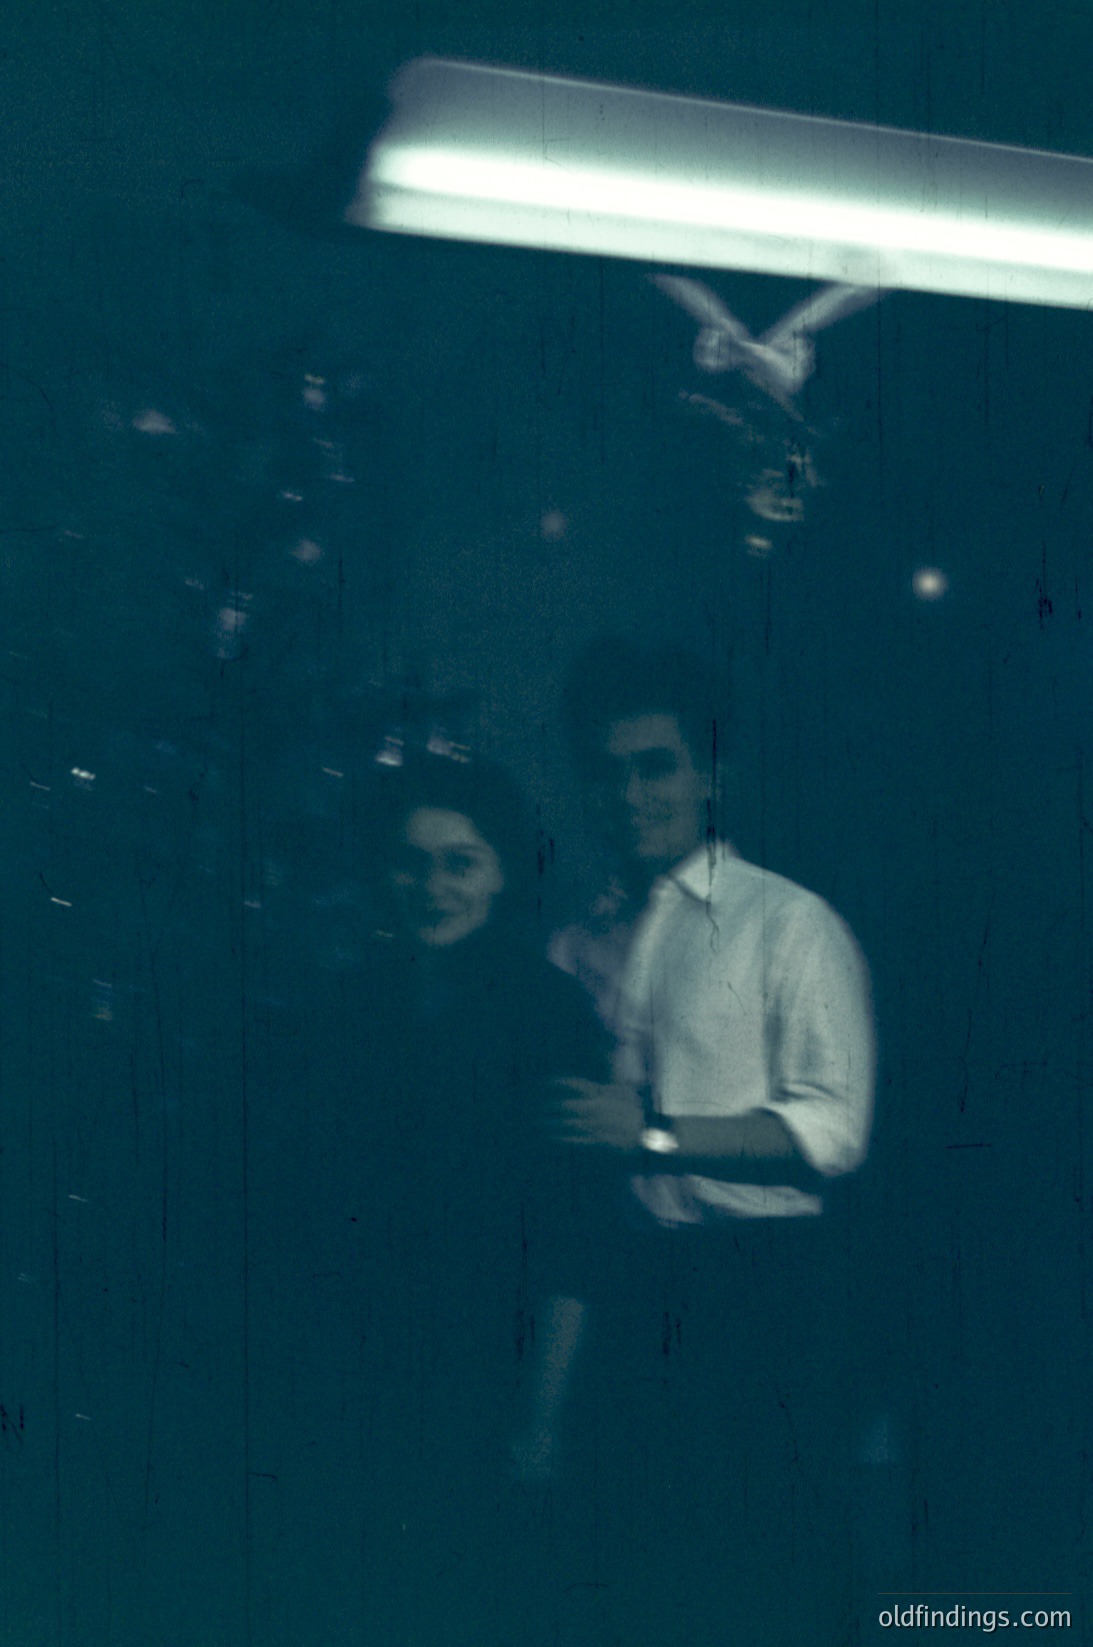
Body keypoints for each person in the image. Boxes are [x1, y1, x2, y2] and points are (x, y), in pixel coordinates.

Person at [540, 637, 876, 1645]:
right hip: (629, 1289)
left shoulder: (790, 923)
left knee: (765, 1579)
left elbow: (833, 1131)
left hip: (764, 1291)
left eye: (656, 766)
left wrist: (651, 1134)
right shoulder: (573, 943)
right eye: (605, 771)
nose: (628, 794)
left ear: (709, 774)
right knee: (640, 1579)